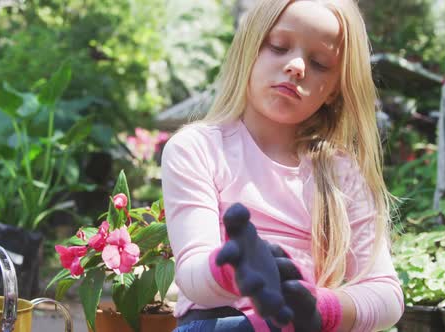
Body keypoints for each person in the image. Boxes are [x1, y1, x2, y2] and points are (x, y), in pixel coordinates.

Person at [160, 0, 404, 331]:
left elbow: (387, 296)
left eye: (319, 63)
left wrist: (322, 307)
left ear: (334, 90)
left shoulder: (340, 172)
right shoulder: (198, 149)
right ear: (250, 49)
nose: (297, 66)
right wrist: (233, 269)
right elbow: (191, 275)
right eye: (278, 46)